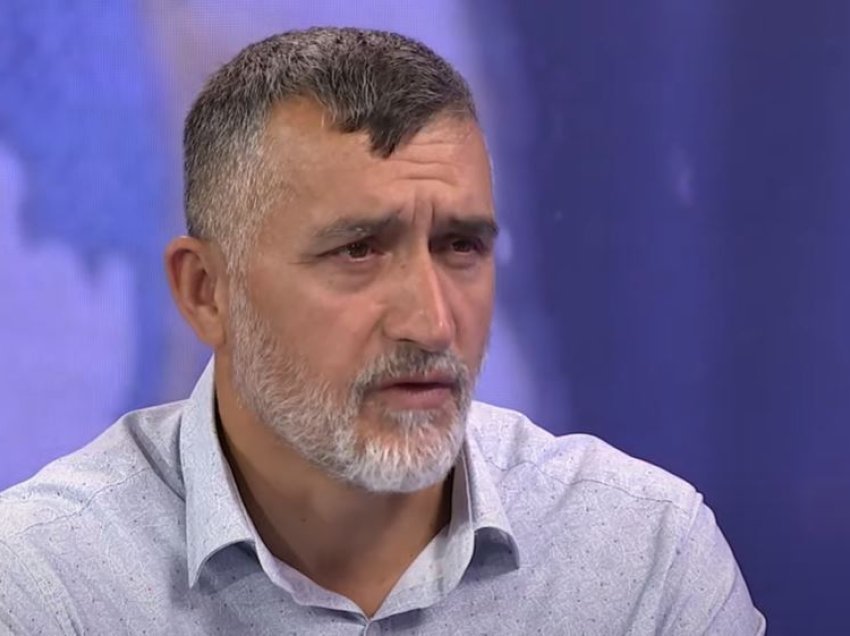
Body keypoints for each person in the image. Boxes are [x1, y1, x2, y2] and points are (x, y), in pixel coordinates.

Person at [0, 27, 765, 634]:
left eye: (460, 247)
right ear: (207, 293)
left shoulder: (642, 557)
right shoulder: (47, 583)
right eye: (358, 250)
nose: (432, 322)